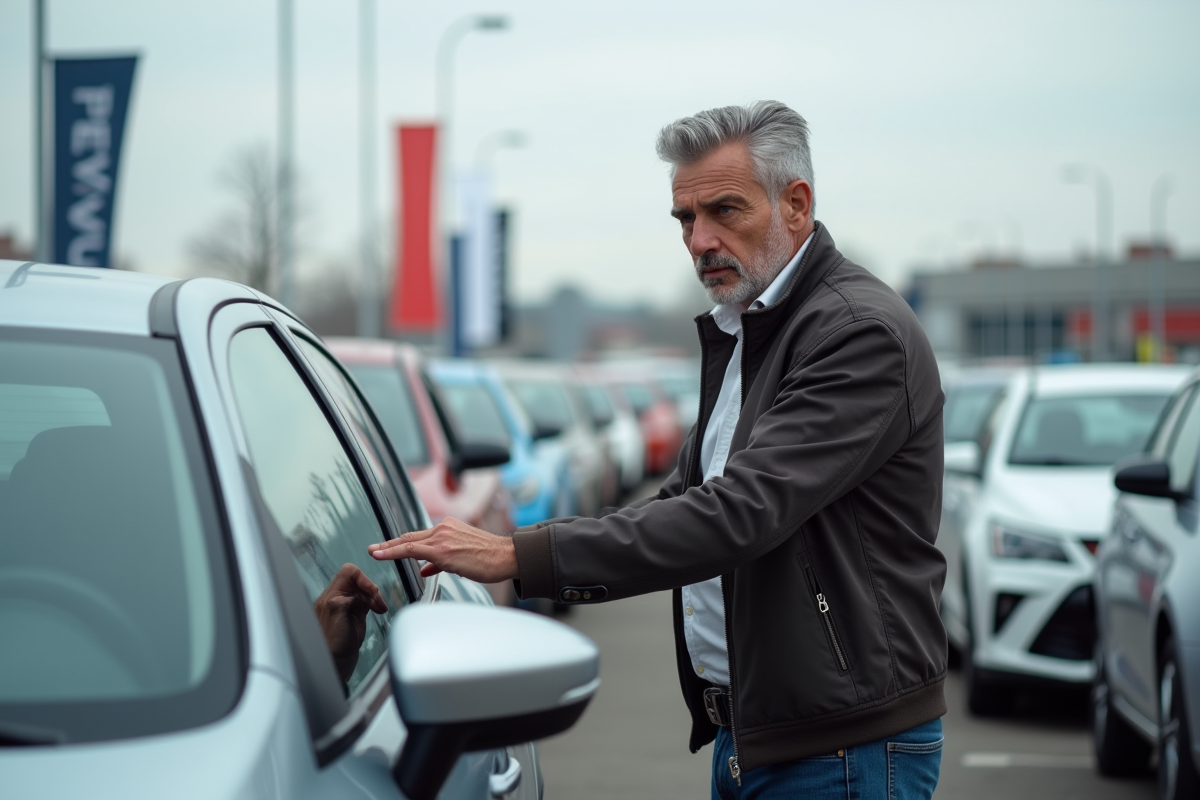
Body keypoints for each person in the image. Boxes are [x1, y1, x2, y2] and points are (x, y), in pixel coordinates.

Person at [369, 100, 948, 800]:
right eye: (684, 218)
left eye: (724, 211)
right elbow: (687, 496)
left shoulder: (856, 333)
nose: (700, 239)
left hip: (842, 749)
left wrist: (522, 558)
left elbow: (739, 513)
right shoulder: (751, 329)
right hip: (760, 735)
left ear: (796, 204)